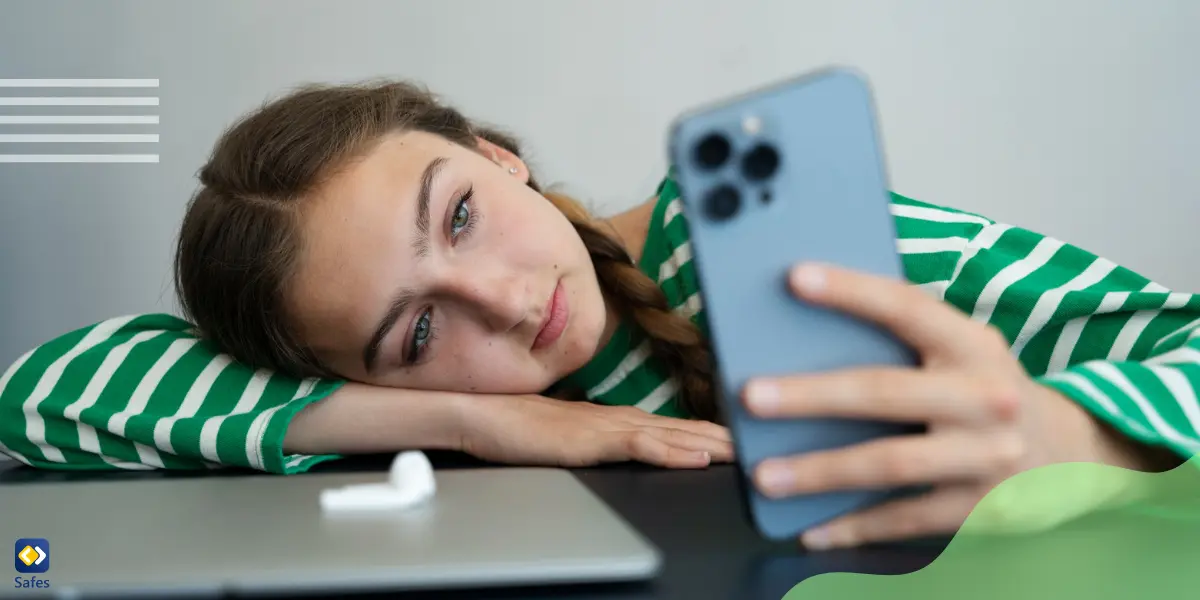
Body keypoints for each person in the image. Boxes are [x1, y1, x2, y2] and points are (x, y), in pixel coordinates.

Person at [1, 79, 1197, 550]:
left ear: (495, 156)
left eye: (459, 215)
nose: (511, 306)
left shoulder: (761, 252)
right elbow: (45, 395)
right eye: (418, 331)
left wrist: (1064, 434)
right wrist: (484, 425)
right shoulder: (462, 413)